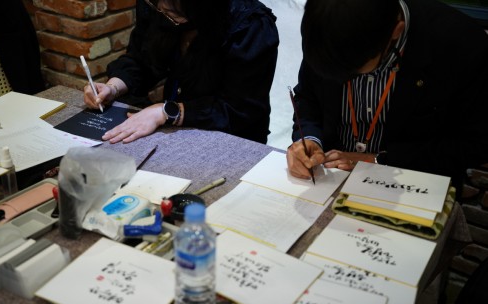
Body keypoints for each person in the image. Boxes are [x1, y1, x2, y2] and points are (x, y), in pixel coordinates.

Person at [287, 0, 488, 191]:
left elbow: (476, 142)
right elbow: (307, 97)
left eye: (354, 72)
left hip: (412, 183)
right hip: (328, 177)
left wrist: (377, 160)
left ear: (396, 31)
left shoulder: (460, 45)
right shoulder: (325, 27)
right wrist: (310, 139)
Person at [84, 0, 279, 144]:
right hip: (173, 130)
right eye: (157, 7)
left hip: (232, 138)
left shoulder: (250, 26)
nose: (161, 12)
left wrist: (166, 111)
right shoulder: (158, 5)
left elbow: (239, 110)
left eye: (170, 12)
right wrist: (113, 87)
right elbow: (141, 59)